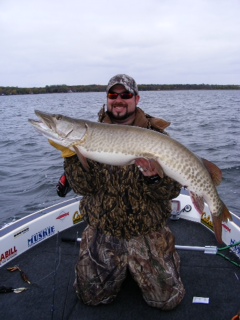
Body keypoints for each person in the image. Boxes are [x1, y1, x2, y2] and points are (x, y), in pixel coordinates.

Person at [54, 74, 185, 310]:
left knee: (167, 301)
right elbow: (84, 187)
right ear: (107, 100)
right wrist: (71, 156)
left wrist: (154, 178)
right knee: (91, 298)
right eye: (113, 95)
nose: (119, 100)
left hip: (146, 230)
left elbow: (172, 190)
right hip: (104, 229)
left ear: (136, 99)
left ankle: (165, 257)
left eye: (125, 95)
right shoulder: (89, 134)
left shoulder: (158, 137)